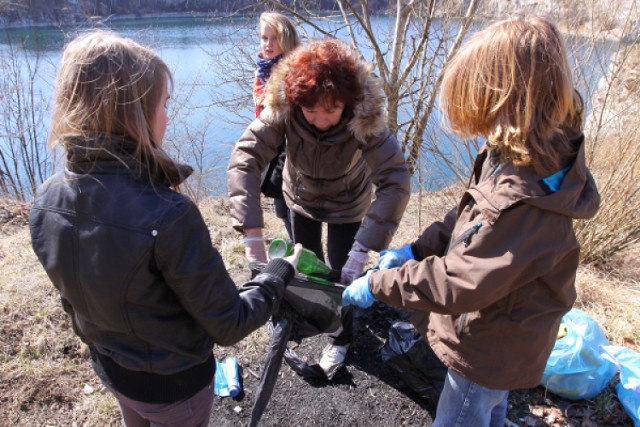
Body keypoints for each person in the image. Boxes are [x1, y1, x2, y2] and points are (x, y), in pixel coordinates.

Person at [29, 30, 302, 427]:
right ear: (134, 115)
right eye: (163, 104)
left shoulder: (46, 198)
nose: (168, 116)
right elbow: (229, 322)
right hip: (175, 389)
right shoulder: (168, 216)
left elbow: (73, 300)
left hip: (112, 370)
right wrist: (279, 272)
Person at [343, 14, 600, 426]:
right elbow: (468, 217)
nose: (477, 124)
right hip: (501, 332)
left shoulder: (523, 198)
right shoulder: (521, 151)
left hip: (489, 344)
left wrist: (376, 284)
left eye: (481, 106)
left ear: (508, 99)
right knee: (489, 411)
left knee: (463, 414)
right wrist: (417, 248)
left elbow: (459, 281)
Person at [227, 38, 411, 378]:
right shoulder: (285, 107)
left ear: (348, 103)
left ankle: (341, 337)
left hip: (348, 203)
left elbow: (395, 182)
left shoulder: (364, 117)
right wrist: (252, 233)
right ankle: (311, 316)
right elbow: (246, 158)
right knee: (306, 267)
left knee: (342, 274)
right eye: (310, 112)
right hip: (300, 197)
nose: (320, 121)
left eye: (330, 111)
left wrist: (364, 247)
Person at [254, 12, 300, 241]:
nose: (268, 44)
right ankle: (298, 250)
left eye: (275, 38)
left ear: (287, 39)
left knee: (294, 210)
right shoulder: (262, 73)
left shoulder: (296, 72)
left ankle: (308, 259)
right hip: (274, 149)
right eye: (264, 38)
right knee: (281, 209)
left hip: (294, 152)